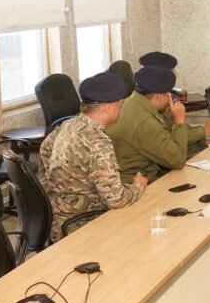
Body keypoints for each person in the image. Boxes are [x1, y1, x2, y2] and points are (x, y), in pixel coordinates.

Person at [40, 72, 147, 242]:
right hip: (82, 223)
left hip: (58, 215)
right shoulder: (97, 142)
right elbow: (116, 200)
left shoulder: (69, 124)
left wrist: (60, 179)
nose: (120, 107)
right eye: (119, 103)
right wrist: (138, 187)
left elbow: (45, 149)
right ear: (109, 108)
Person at [106, 66, 189, 183]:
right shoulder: (144, 121)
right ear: (158, 96)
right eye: (167, 94)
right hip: (135, 183)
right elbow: (177, 160)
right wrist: (179, 122)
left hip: (133, 177)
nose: (169, 99)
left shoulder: (130, 102)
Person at [138, 51, 210, 155]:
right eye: (171, 72)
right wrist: (204, 130)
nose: (174, 75)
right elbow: (171, 139)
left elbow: (184, 129)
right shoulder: (153, 103)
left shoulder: (163, 98)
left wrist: (202, 143)